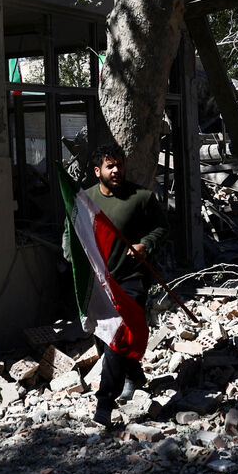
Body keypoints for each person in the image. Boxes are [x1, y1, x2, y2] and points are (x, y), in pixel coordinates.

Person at [84, 142, 168, 427]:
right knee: (103, 338)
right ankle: (134, 374)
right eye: (110, 165)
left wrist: (146, 245)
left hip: (131, 280)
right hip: (97, 283)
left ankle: (104, 403)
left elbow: (161, 227)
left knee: (117, 338)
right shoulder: (86, 201)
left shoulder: (141, 198)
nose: (117, 170)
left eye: (120, 164)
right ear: (98, 171)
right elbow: (72, 235)